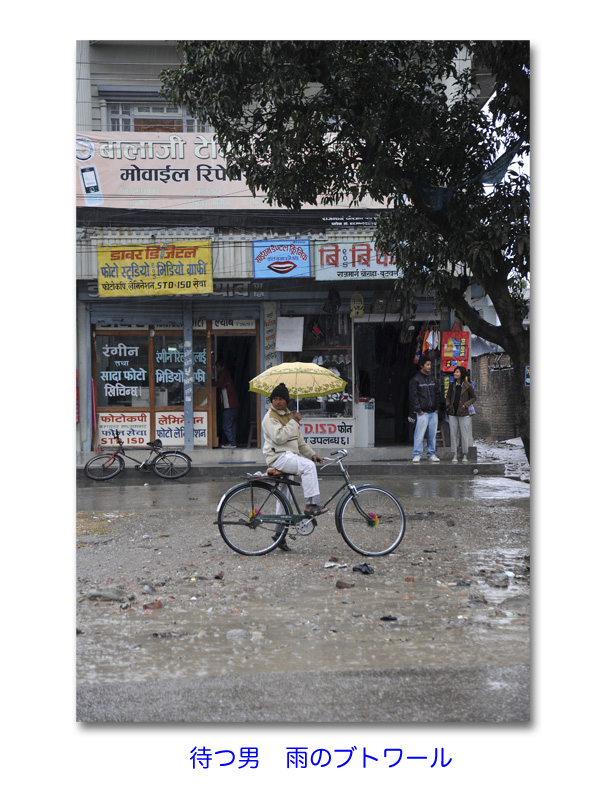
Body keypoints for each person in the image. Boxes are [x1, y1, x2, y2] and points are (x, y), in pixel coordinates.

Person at [262, 383, 327, 551]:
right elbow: (279, 438)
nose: (277, 402)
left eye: (281, 399)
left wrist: (312, 454)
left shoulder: (289, 415)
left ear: (286, 401)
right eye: (275, 399)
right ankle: (311, 505)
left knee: (284, 498)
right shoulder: (270, 417)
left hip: (289, 457)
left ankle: (279, 535)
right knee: (308, 468)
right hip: (278, 457)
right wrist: (295, 421)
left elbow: (299, 442)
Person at [409, 355, 441, 463]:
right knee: (419, 434)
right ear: (422, 365)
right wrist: (419, 410)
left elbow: (437, 394)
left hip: (433, 412)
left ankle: (431, 454)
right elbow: (414, 397)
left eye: (430, 365)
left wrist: (437, 408)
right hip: (422, 412)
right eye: (427, 365)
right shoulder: (415, 380)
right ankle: (417, 454)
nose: (429, 367)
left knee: (432, 435)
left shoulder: (432, 379)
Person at [446, 366, 477, 463]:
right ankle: (454, 454)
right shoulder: (452, 385)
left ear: (462, 374)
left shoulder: (468, 385)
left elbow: (473, 398)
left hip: (464, 413)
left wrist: (466, 405)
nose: (455, 373)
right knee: (453, 434)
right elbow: (448, 397)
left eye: (457, 372)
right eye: (455, 372)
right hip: (452, 413)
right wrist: (448, 405)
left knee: (464, 434)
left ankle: (465, 454)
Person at [215, 360, 239, 448]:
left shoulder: (224, 374)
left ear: (222, 367)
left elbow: (220, 384)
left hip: (229, 405)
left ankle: (232, 443)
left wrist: (209, 383)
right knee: (232, 425)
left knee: (226, 425)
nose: (216, 369)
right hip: (234, 405)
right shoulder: (226, 374)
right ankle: (233, 442)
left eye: (217, 367)